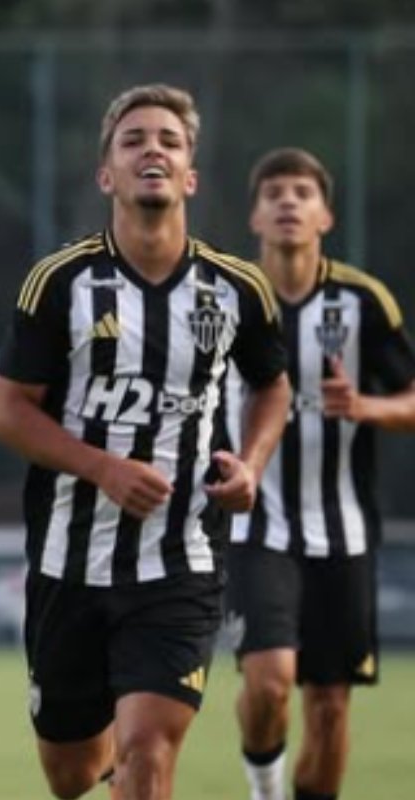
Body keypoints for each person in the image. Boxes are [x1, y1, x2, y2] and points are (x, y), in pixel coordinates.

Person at [0, 84, 292, 800]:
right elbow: (6, 412)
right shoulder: (58, 284)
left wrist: (251, 467)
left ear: (189, 175)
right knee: (69, 774)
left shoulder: (238, 289)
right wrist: (101, 469)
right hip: (68, 562)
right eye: (133, 141)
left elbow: (272, 386)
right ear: (107, 175)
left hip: (180, 562)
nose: (151, 149)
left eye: (169, 141)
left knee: (148, 749)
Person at [223, 148, 415, 800]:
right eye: (273, 191)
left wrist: (366, 406)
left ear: (325, 215)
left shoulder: (363, 302)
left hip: (345, 533)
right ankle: (266, 789)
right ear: (254, 215)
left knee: (330, 706)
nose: (286, 202)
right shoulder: (224, 299)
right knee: (271, 681)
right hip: (256, 529)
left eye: (302, 192)